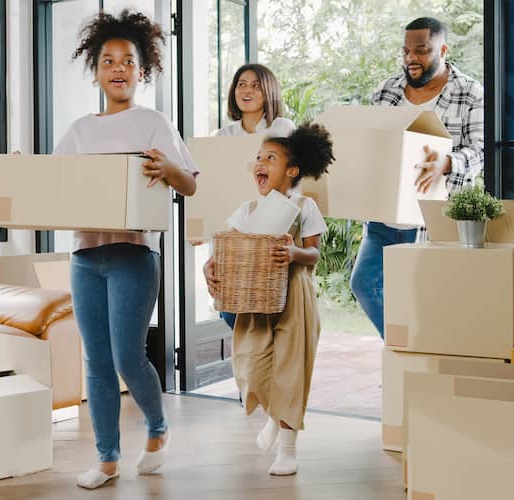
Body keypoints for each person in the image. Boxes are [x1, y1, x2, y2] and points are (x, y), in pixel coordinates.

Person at [55, 9, 199, 490]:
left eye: (129, 61)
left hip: (134, 255)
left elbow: (189, 184)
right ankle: (107, 458)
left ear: (143, 70)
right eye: (108, 61)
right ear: (95, 70)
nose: (119, 68)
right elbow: (51, 185)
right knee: (96, 360)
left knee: (127, 357)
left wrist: (167, 170)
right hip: (85, 257)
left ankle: (158, 427)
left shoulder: (154, 122)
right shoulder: (79, 131)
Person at [204, 123, 334, 476]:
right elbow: (226, 246)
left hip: (295, 295)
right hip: (254, 299)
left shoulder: (304, 206)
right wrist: (210, 263)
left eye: (270, 158)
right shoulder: (247, 211)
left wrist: (293, 252)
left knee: (292, 369)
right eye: (258, 157)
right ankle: (274, 417)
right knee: (250, 362)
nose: (260, 163)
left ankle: (288, 448)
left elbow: (314, 255)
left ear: (291, 171)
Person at [349, 16, 485, 338]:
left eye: (421, 50)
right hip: (384, 218)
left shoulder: (469, 92)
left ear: (443, 49)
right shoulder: (386, 91)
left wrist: (447, 163)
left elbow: (482, 150)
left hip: (434, 218)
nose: (411, 58)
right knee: (364, 284)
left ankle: (421, 358)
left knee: (425, 299)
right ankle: (402, 349)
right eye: (406, 51)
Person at [213, 63, 294, 329]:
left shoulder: (282, 127)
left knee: (268, 310)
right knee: (231, 310)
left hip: (273, 229)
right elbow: (216, 189)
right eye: (241, 84)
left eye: (256, 85)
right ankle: (250, 369)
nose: (247, 90)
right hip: (236, 233)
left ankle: (263, 369)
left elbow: (296, 179)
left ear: (268, 91)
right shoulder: (224, 135)